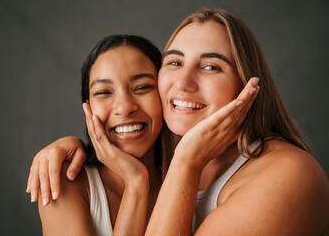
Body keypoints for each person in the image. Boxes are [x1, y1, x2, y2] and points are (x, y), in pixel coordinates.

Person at [27, 8, 329, 235]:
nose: (183, 83)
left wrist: (186, 161)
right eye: (174, 62)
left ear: (247, 82)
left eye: (211, 66)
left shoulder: (288, 175)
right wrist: (69, 144)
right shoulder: (163, 154)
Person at [33, 33, 257, 236]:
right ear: (87, 107)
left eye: (142, 88)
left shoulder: (193, 177)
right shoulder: (62, 181)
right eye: (103, 92)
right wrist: (135, 183)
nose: (124, 107)